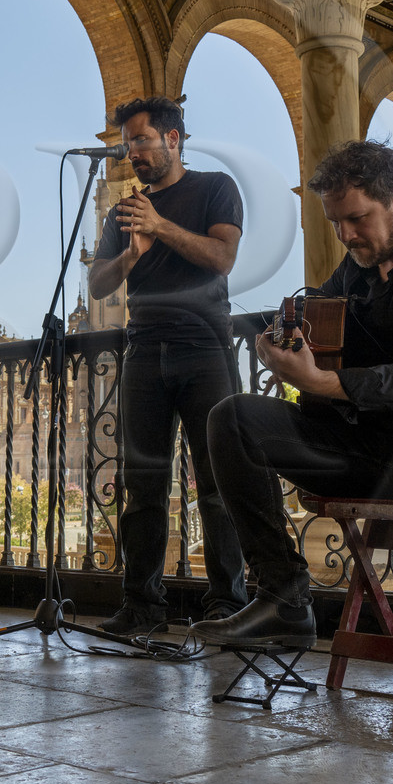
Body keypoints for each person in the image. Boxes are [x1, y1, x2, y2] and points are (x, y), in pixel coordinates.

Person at [191, 140, 393, 752]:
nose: (345, 234)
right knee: (231, 418)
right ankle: (284, 596)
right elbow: (326, 323)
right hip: (373, 452)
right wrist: (288, 342)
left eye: (356, 219)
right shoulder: (358, 268)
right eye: (335, 222)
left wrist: (320, 381)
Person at [87, 96, 248, 636]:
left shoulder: (215, 188)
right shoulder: (122, 211)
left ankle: (228, 603)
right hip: (144, 352)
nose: (132, 152)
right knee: (143, 482)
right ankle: (141, 604)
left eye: (141, 140)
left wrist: (162, 226)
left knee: (217, 479)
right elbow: (98, 284)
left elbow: (222, 257)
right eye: (127, 143)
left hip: (205, 349)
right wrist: (132, 252)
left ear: (173, 139)